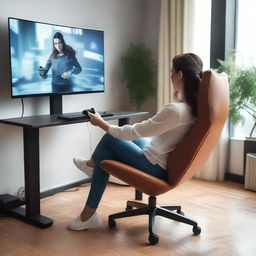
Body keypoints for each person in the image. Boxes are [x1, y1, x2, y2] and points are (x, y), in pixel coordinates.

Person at [67, 53, 203, 230]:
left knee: (110, 139)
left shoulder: (175, 111)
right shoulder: (192, 108)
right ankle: (91, 171)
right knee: (114, 148)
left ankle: (91, 172)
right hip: (160, 156)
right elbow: (141, 133)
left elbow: (133, 131)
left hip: (156, 166)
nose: (170, 75)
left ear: (180, 75)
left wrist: (101, 123)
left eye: (172, 71)